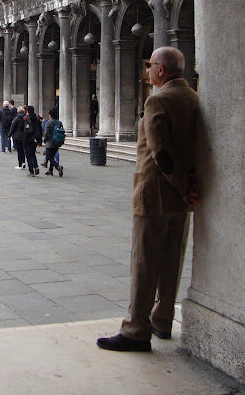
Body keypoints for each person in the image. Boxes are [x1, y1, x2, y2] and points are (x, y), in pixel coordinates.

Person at [96, 47, 199, 352]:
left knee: (144, 263)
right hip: (183, 198)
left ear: (161, 70)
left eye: (149, 66)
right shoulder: (193, 97)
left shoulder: (158, 99)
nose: (147, 71)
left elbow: (161, 151)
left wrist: (179, 185)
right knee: (172, 260)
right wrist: (187, 188)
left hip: (154, 194)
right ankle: (163, 320)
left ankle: (136, 329)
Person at [42, 109, 64, 177]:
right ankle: (50, 171)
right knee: (52, 156)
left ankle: (58, 167)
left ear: (50, 115)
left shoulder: (49, 122)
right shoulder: (59, 122)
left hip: (50, 142)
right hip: (57, 141)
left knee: (49, 157)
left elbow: (47, 133)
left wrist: (45, 140)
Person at [23, 105, 43, 177]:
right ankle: (36, 166)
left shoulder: (26, 119)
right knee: (33, 154)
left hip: (27, 139)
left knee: (28, 155)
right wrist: (40, 141)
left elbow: (24, 130)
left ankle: (31, 171)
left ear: (27, 111)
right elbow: (39, 130)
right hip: (34, 139)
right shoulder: (37, 119)